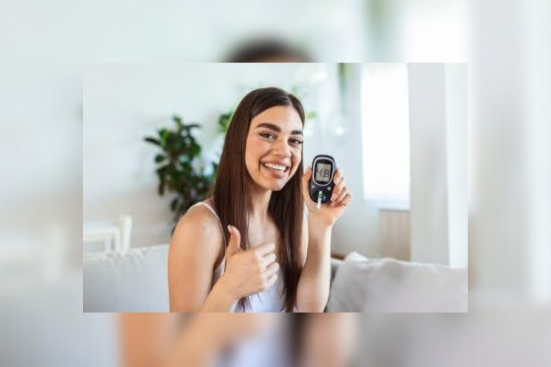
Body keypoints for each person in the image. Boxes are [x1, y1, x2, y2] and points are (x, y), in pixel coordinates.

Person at [168, 87, 352, 312]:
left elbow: (309, 308)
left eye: (294, 140)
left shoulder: (294, 221)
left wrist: (322, 225)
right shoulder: (200, 226)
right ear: (239, 139)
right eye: (268, 135)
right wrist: (229, 289)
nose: (284, 151)